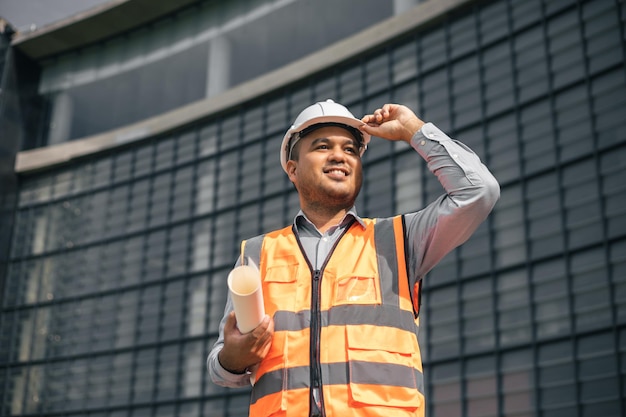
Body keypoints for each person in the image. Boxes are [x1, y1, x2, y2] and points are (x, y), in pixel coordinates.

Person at [207, 99, 500, 417]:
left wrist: (412, 130)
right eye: (322, 146)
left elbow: (479, 191)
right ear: (292, 168)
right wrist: (233, 358)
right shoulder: (257, 255)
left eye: (350, 149)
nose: (338, 155)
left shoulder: (399, 240)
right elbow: (221, 365)